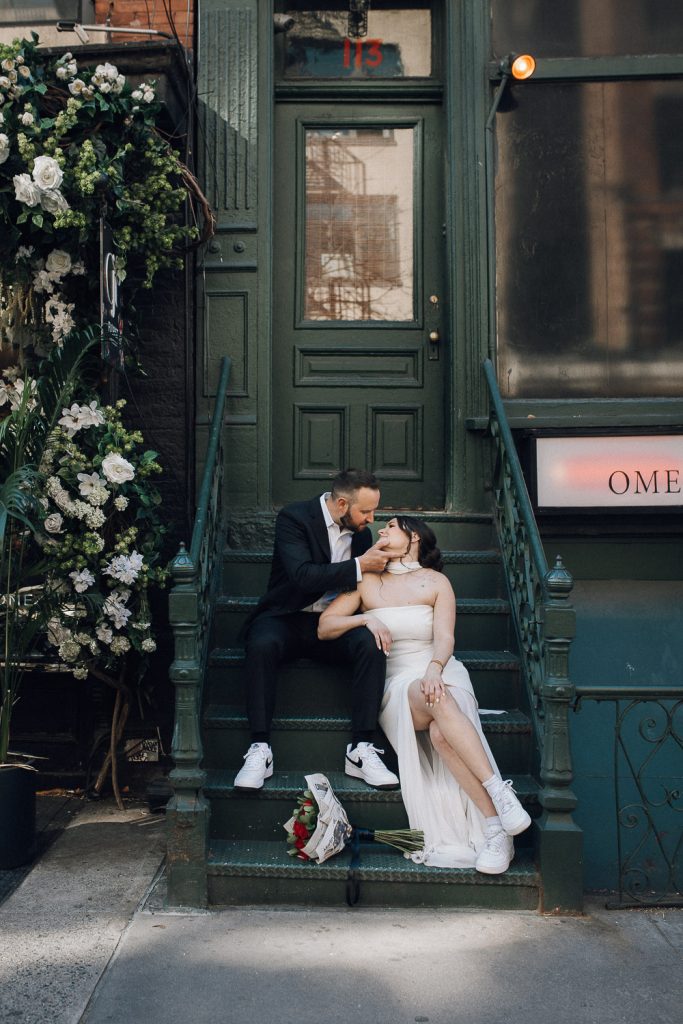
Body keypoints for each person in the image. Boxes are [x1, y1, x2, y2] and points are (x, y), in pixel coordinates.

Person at [318, 515, 531, 874]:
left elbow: (445, 637)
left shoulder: (436, 582)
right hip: (399, 683)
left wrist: (435, 668)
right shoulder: (366, 581)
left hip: (441, 669)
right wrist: (365, 619)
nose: (382, 530)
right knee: (435, 699)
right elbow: (325, 626)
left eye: (390, 526)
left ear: (413, 536)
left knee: (440, 731)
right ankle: (500, 791)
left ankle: (495, 826)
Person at [233, 469, 400, 792]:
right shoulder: (294, 518)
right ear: (342, 504)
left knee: (371, 643)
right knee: (261, 643)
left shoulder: (362, 535)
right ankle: (260, 748)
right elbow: (303, 576)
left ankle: (361, 749)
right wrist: (360, 565)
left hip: (333, 623)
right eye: (366, 511)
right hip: (286, 616)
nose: (371, 518)